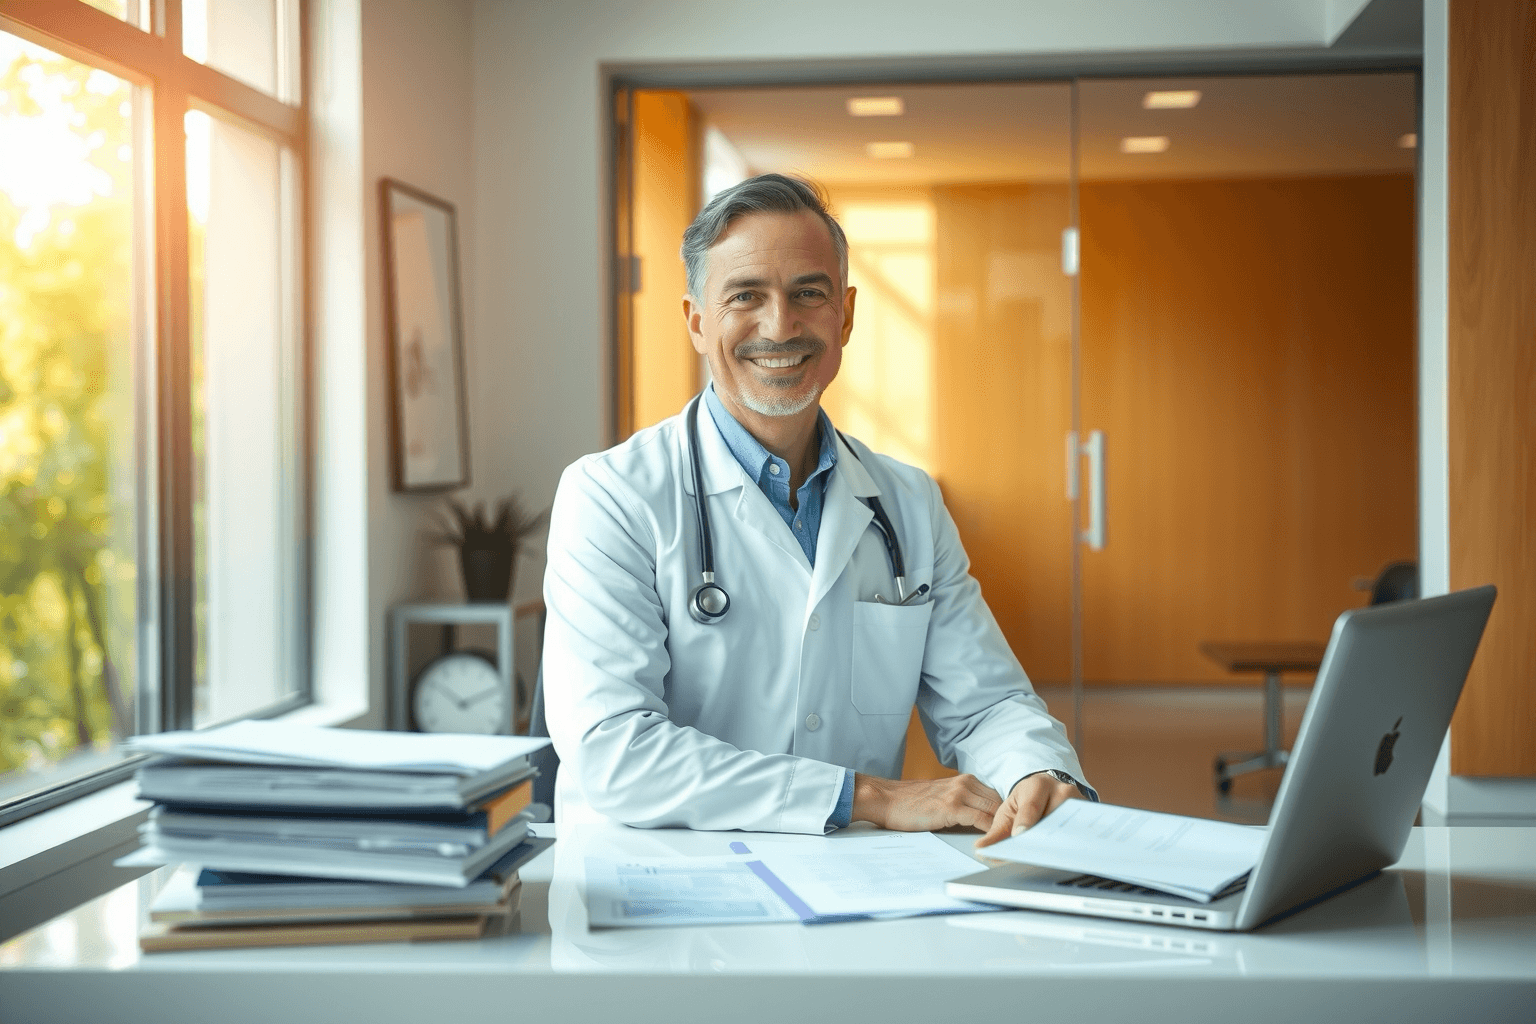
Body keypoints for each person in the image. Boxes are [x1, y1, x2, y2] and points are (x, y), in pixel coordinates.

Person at [542, 173, 1093, 848]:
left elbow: (987, 704)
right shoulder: (611, 497)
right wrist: (862, 796)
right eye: (746, 296)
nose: (781, 325)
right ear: (696, 319)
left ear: (846, 315)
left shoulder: (908, 504)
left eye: (809, 293)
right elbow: (612, 751)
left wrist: (1036, 771)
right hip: (660, 890)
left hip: (850, 887)